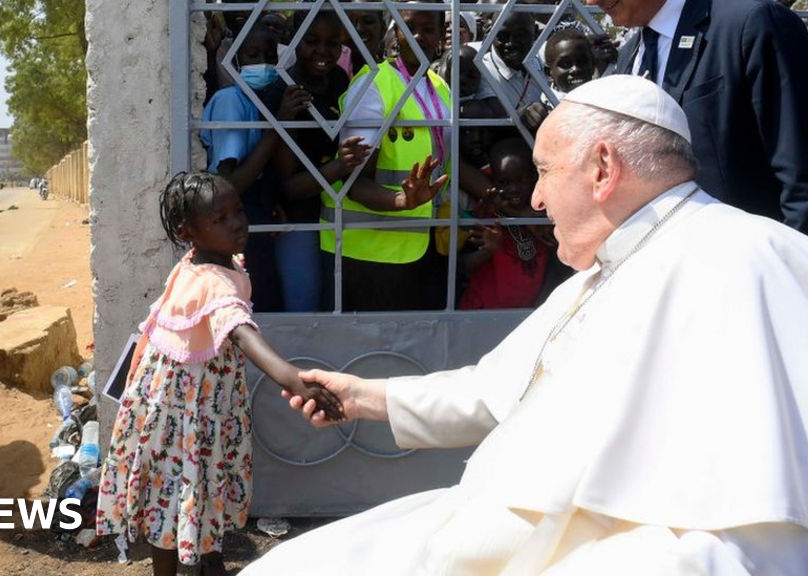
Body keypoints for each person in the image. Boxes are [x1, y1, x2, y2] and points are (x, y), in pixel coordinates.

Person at [242, 75, 808, 574]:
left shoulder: (755, 257)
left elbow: (742, 521)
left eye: (544, 172)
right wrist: (365, 396)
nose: (535, 199)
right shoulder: (603, 270)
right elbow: (496, 388)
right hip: (506, 530)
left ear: (604, 169)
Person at [94, 172, 343, 576]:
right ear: (186, 231)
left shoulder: (206, 261)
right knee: (175, 492)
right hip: (183, 411)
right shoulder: (214, 283)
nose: (236, 223)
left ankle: (209, 558)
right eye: (219, 219)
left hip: (191, 404)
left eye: (238, 211)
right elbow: (241, 334)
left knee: (198, 482)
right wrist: (293, 379)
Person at [323, 3, 489, 311]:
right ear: (395, 33)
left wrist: (494, 195)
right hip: (368, 253)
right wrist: (402, 201)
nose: (417, 36)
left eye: (428, 30)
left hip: (424, 246)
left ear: (441, 36)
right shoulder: (374, 86)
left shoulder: (438, 86)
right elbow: (352, 180)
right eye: (409, 27)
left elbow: (449, 162)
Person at [593, 0, 808, 234]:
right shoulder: (630, 56)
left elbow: (800, 173)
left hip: (753, 258)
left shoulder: (749, 24)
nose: (591, 1)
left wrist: (794, 264)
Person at [201, 20, 311, 313]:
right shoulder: (231, 102)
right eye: (252, 55)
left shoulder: (256, 102)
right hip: (234, 229)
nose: (262, 64)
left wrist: (269, 200)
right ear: (236, 60)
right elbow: (230, 184)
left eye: (269, 56)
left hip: (255, 219)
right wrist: (279, 123)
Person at [266, 8, 371, 312]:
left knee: (337, 304)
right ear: (295, 40)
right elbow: (289, 188)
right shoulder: (284, 91)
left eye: (333, 43)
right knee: (306, 310)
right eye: (311, 41)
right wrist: (340, 165)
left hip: (340, 214)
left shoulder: (339, 79)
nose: (322, 52)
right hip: (301, 220)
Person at [457, 138, 552, 310]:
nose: (513, 188)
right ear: (491, 179)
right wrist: (487, 251)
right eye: (503, 182)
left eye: (520, 180)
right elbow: (461, 266)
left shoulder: (544, 214)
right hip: (481, 313)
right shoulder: (485, 213)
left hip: (527, 314)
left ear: (533, 178)